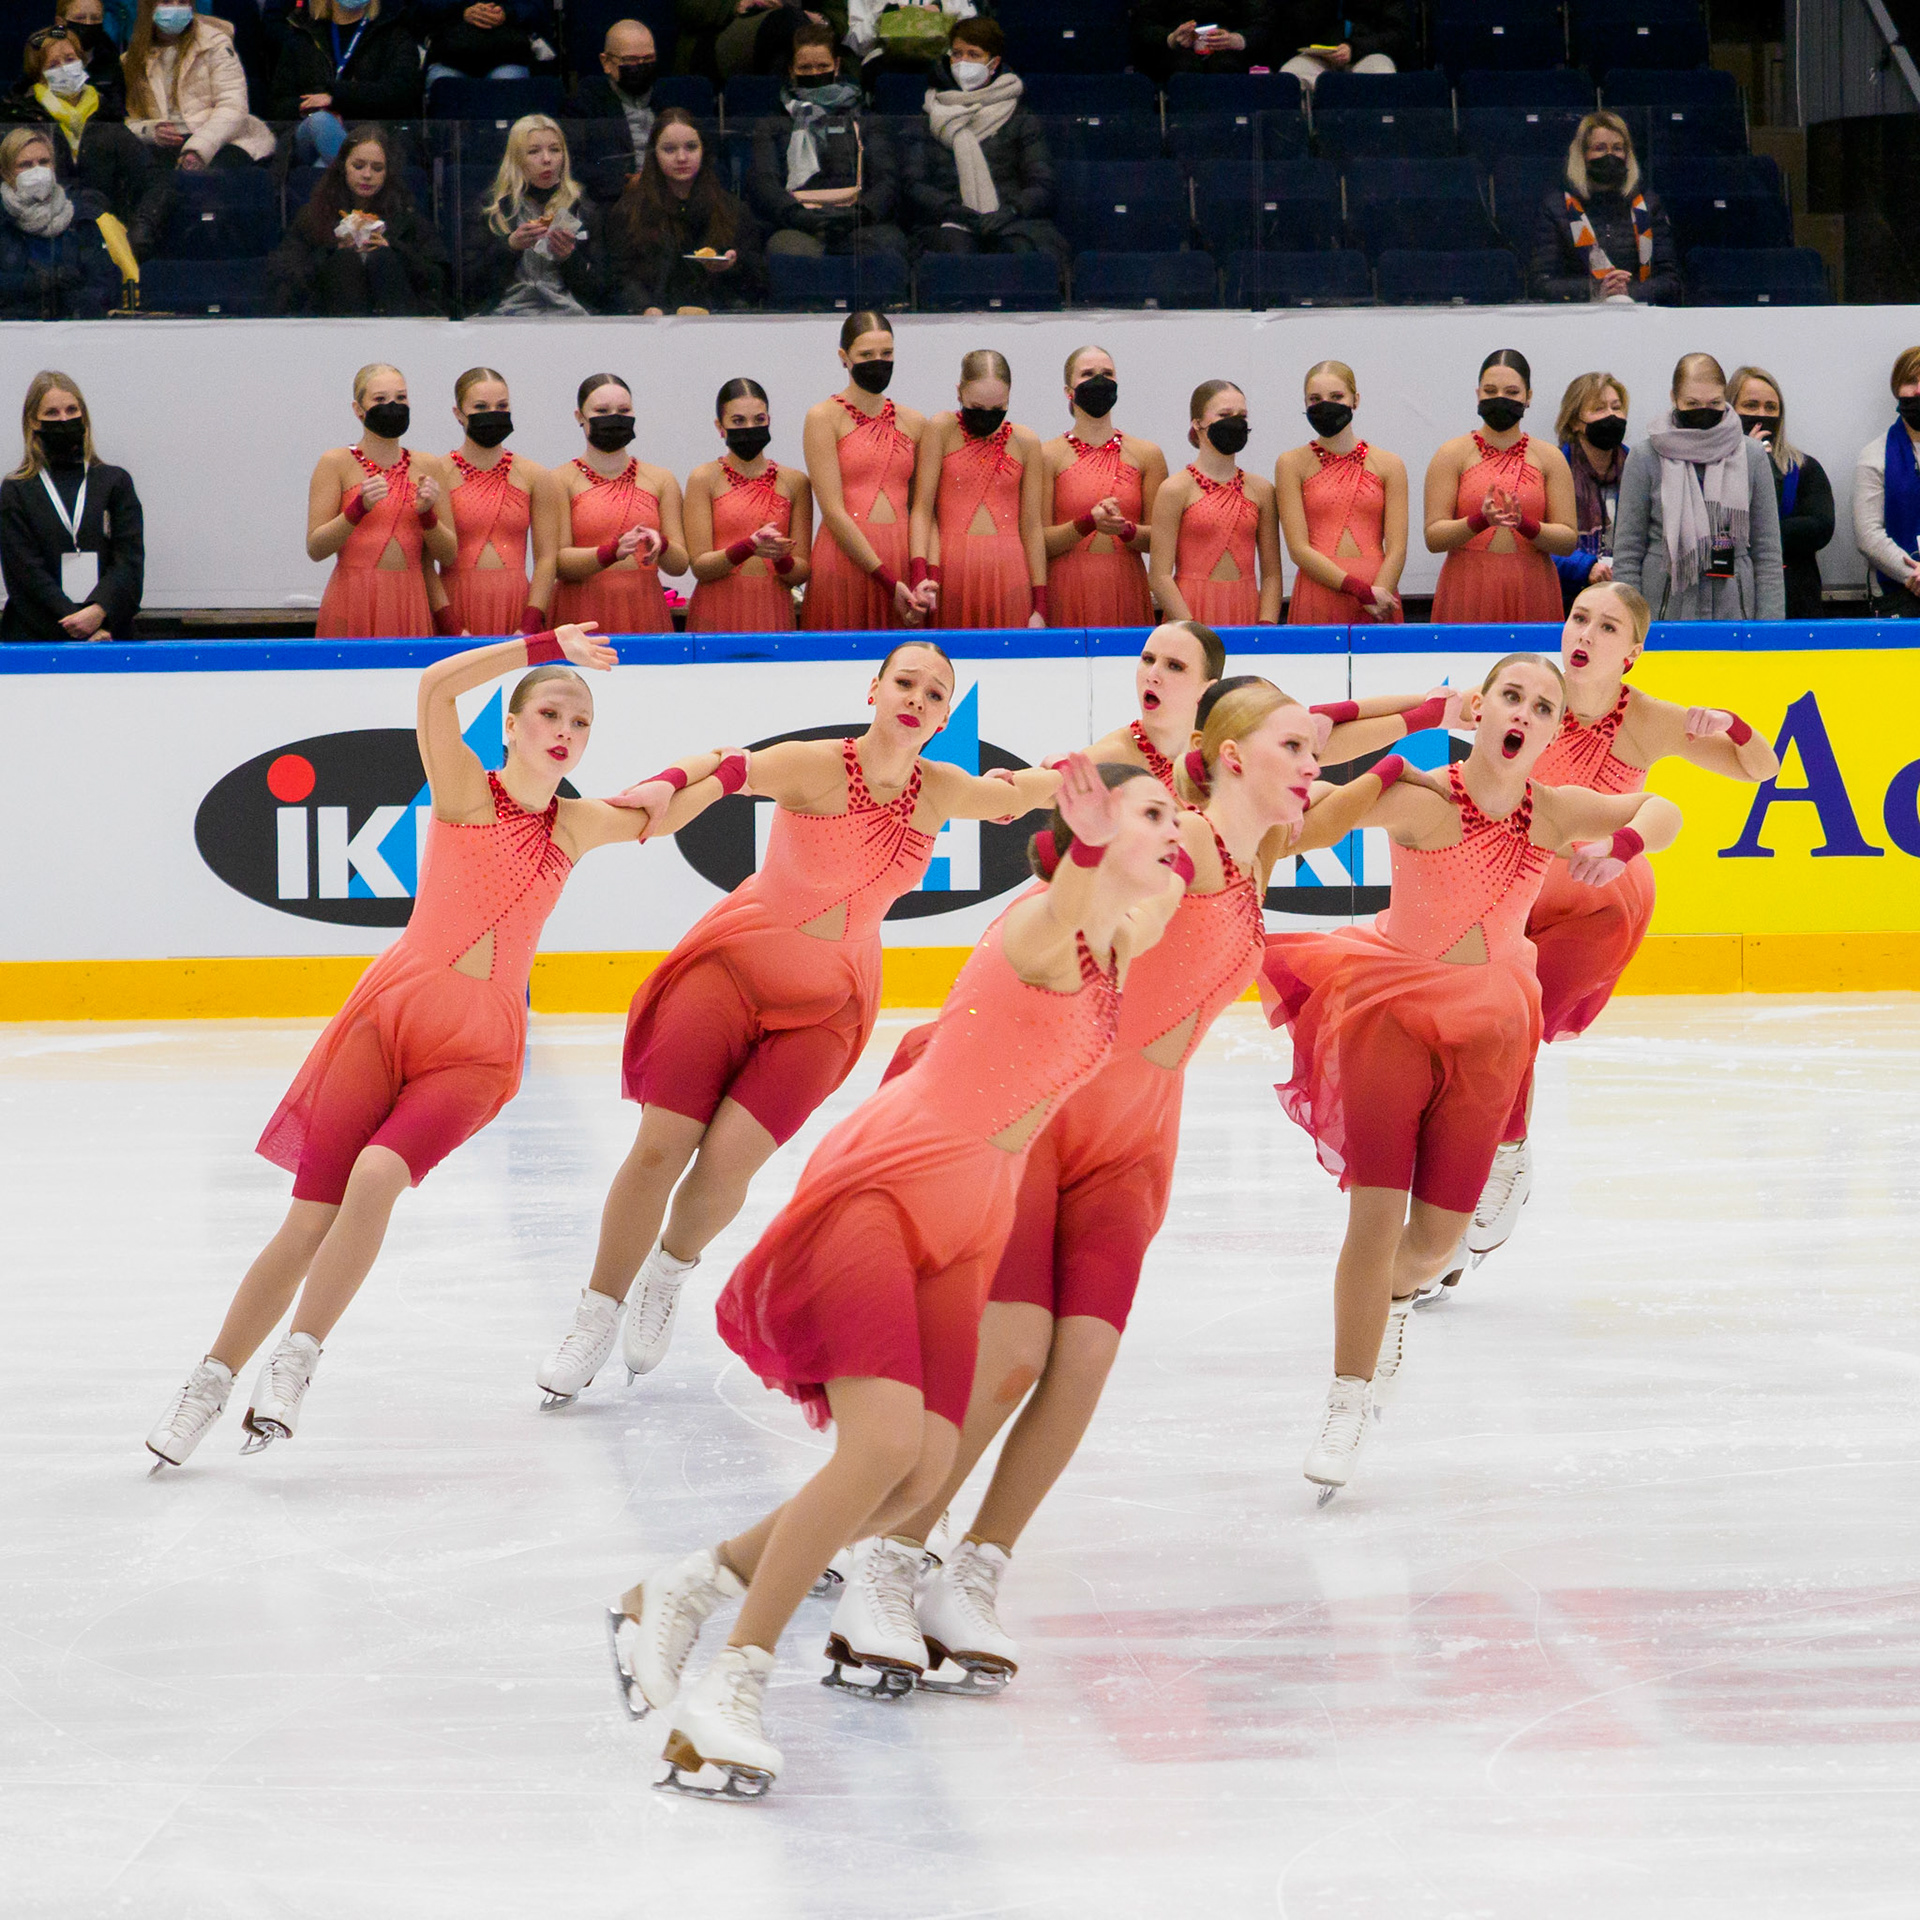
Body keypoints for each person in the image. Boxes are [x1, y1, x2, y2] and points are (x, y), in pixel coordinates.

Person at [606, 755, 1184, 1798]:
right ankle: (731, 1685)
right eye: (1155, 812)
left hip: (971, 1221)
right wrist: (1089, 843)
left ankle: (688, 1586)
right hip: (887, 1187)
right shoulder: (1039, 929)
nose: (1174, 826)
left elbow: (1184, 888)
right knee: (880, 1447)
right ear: (1091, 835)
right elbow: (1066, 900)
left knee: (920, 1475)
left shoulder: (1122, 941)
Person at [869, 686, 1422, 1687]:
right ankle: (891, 1556)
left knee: (1083, 1360)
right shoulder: (1192, 846)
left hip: (1134, 1137)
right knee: (1011, 1355)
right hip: (1051, 1109)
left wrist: (1423, 717)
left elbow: (1347, 754)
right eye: (1293, 748)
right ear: (1230, 756)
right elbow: (1091, 906)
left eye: (1314, 751)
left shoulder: (1258, 855)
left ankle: (979, 1569)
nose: (1314, 764)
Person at [142, 626, 670, 1467]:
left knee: (378, 1175)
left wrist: (705, 772)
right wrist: (542, 644)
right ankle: (208, 1383)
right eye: (549, 713)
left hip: (477, 1050)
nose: (565, 731)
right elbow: (434, 688)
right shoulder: (465, 791)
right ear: (511, 725)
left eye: (581, 722)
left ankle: (295, 1362)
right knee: (307, 1220)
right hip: (387, 1022)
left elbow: (662, 812)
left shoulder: (577, 825)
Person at [536, 642, 1063, 1402]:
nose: (917, 698)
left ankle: (668, 1270)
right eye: (905, 682)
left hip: (828, 1003)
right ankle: (596, 1313)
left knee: (728, 1165)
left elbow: (1016, 796)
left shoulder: (940, 790)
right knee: (660, 1149)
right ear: (875, 690)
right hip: (732, 969)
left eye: (934, 693)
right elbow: (730, 767)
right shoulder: (818, 766)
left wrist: (1078, 775)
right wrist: (665, 786)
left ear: (945, 718)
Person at [1259, 652, 1682, 1499]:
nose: (1524, 712)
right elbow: (1305, 831)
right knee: (1374, 1220)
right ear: (1480, 712)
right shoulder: (1420, 797)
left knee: (1433, 1244)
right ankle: (1347, 1400)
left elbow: (1663, 808)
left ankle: (1394, 1304)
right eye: (1510, 696)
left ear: (1553, 732)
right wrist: (1383, 762)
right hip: (1388, 1012)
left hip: (1490, 1027)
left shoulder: (1553, 813)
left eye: (1543, 706)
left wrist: (1623, 844)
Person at [1460, 583, 1781, 1278]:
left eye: (1607, 627)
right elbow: (1449, 717)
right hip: (1515, 889)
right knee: (1488, 1031)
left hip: (1599, 898)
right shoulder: (1530, 695)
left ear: (1632, 653)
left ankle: (1500, 1162)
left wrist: (1731, 724)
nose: (1585, 634)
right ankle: (1489, 1168)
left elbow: (1764, 769)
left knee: (1514, 1026)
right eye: (1579, 618)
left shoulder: (1651, 720)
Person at [1613, 352, 1783, 621]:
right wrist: (1629, 623)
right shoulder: (1645, 456)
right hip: (1663, 612)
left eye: (1714, 402)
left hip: (1735, 612)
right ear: (1674, 398)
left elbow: (1768, 553)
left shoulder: (1752, 456)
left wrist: (1769, 628)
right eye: (1692, 403)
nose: (1704, 411)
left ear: (1725, 397)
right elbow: (1627, 554)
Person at [306, 362, 455, 640]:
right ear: (358, 409)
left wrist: (427, 516)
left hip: (410, 598)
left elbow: (448, 555)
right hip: (353, 596)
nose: (392, 406)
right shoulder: (335, 463)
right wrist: (356, 509)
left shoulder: (428, 465)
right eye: (380, 399)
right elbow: (316, 548)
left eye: (401, 398)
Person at [906, 19, 1068, 272]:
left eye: (974, 55)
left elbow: (1042, 183)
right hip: (947, 221)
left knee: (1019, 249)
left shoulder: (1020, 117)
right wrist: (954, 210)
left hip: (1011, 219)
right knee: (956, 252)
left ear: (993, 64)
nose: (963, 62)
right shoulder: (930, 114)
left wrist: (1011, 209)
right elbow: (914, 183)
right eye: (957, 54)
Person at [1426, 349, 1575, 623]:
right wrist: (1479, 521)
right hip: (1468, 584)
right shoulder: (1451, 454)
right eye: (1490, 391)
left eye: (1512, 392)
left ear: (1528, 396)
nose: (1500, 398)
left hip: (1532, 585)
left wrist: (1524, 524)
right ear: (1478, 394)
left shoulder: (1550, 458)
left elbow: (1567, 540)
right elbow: (1434, 537)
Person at [801, 310, 927, 630]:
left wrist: (918, 572)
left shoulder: (914, 422)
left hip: (900, 555)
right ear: (844, 357)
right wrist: (885, 578)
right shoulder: (823, 418)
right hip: (846, 557)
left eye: (887, 353)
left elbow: (921, 508)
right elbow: (832, 510)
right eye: (867, 355)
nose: (878, 362)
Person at [0, 368, 143, 643]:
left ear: (84, 416)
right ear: (33, 421)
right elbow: (25, 573)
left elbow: (129, 563)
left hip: (109, 634)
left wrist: (99, 613)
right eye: (52, 413)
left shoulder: (115, 482)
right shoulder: (16, 490)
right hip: (37, 636)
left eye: (71, 410)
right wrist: (77, 625)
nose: (64, 419)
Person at [910, 348, 1048, 630]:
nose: (986, 416)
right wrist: (920, 573)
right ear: (959, 393)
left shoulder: (1026, 442)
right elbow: (923, 509)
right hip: (950, 569)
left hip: (1009, 572)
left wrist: (1041, 606)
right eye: (977, 407)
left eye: (997, 409)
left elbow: (1032, 527)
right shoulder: (941, 429)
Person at [749, 21, 906, 260]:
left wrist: (860, 213)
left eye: (822, 66)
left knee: (886, 246)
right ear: (791, 70)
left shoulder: (865, 120)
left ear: (837, 65)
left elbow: (886, 178)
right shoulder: (772, 124)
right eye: (805, 67)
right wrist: (797, 215)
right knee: (788, 250)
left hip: (858, 222)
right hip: (797, 224)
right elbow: (764, 182)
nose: (814, 74)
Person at [551, 372, 688, 635]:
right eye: (602, 411)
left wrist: (661, 543)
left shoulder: (661, 479)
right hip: (582, 608)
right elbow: (557, 563)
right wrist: (610, 552)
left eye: (623, 411)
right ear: (580, 416)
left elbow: (680, 564)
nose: (614, 418)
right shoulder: (559, 481)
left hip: (645, 607)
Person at [1041, 344, 1164, 630]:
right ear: (1068, 391)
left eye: (1107, 373)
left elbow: (1161, 540)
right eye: (1087, 374)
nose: (1099, 380)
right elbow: (1037, 541)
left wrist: (1125, 530)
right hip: (1066, 589)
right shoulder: (1047, 456)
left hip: (1126, 586)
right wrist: (1087, 523)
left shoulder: (1147, 455)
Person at [1276, 357, 1406, 626]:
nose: (1325, 405)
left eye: (1336, 396)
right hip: (1320, 588)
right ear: (1305, 404)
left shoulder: (1389, 464)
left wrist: (1377, 595)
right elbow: (1298, 548)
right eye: (1315, 399)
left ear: (1355, 400)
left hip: (1379, 591)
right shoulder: (1291, 464)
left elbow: (1397, 548)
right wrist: (1360, 590)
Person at [269, 123, 448, 315]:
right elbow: (284, 275)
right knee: (346, 261)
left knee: (382, 258)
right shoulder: (313, 215)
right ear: (343, 166)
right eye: (358, 166)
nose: (367, 175)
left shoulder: (407, 216)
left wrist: (395, 249)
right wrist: (332, 251)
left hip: (396, 318)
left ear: (387, 173)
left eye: (377, 168)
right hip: (330, 318)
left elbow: (438, 278)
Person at [433, 367, 559, 639]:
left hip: (516, 604)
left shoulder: (535, 475)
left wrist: (530, 622)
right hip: (456, 602)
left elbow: (547, 558)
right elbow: (423, 561)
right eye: (481, 407)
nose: (493, 413)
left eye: (501, 406)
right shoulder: (438, 473)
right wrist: (450, 625)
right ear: (458, 414)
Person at [683, 379, 814, 633]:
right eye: (738, 421)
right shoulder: (704, 478)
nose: (749, 428)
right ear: (720, 427)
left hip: (772, 607)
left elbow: (801, 571)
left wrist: (781, 559)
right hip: (717, 609)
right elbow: (700, 566)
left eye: (758, 419)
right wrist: (748, 547)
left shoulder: (795, 482)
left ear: (769, 420)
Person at [1149, 379, 1282, 627]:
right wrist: (1191, 629)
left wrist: (1267, 626)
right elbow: (1159, 576)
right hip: (1190, 611)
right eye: (1225, 415)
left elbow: (1272, 574)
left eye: (1242, 416)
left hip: (1246, 608)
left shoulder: (1261, 490)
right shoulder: (1175, 489)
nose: (1235, 422)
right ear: (1197, 422)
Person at [4, 26, 155, 239]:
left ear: (82, 61)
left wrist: (142, 226)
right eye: (53, 65)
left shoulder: (106, 114)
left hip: (105, 231)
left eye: (70, 59)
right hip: (39, 233)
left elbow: (150, 177)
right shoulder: (22, 118)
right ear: (40, 74)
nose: (64, 68)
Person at [612, 109, 764, 314]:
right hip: (653, 322)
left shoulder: (733, 210)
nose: (682, 157)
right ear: (654, 154)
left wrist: (734, 265)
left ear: (704, 150)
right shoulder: (629, 210)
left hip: (717, 321)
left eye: (691, 147)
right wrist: (645, 308)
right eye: (669, 149)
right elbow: (618, 278)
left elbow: (758, 282)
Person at [1528, 110, 1678, 307]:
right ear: (1582, 155)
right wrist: (1597, 288)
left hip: (1638, 313)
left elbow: (1670, 280)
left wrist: (1628, 291)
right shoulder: (1556, 207)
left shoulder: (1648, 204)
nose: (1610, 155)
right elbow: (1541, 283)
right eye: (1599, 148)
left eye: (1617, 148)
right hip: (1577, 316)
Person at [466, 114, 607, 316]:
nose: (547, 159)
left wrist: (569, 258)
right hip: (506, 315)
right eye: (534, 151)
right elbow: (470, 287)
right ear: (516, 159)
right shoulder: (492, 209)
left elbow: (602, 292)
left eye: (555, 150)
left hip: (569, 315)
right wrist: (510, 247)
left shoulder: (584, 208)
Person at [1728, 365, 1831, 622]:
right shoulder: (1712, 470)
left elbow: (1818, 527)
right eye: (1751, 406)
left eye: (1771, 407)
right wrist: (1746, 462)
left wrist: (1756, 534)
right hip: (1731, 597)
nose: (1761, 414)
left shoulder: (1804, 468)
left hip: (1795, 598)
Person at [122, 0, 276, 171]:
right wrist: (151, 132)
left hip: (225, 139)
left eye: (182, 2)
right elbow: (128, 121)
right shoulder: (131, 60)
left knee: (211, 177)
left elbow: (233, 106)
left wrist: (198, 149)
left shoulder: (215, 43)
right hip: (166, 146)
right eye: (166, 2)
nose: (175, 8)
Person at [269, 0, 421, 168]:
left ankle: (349, 173)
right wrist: (315, 107)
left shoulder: (394, 34)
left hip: (374, 136)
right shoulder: (303, 36)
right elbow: (279, 105)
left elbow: (399, 93)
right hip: (310, 138)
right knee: (321, 122)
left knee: (321, 166)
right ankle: (355, 172)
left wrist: (336, 98)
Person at [0, 126, 124, 318]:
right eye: (25, 165)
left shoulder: (80, 218)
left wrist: (72, 301)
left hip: (73, 326)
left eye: (44, 162)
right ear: (6, 172)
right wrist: (36, 284)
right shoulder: (3, 220)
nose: (37, 171)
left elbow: (106, 284)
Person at [1552, 370, 1631, 613]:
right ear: (1575, 421)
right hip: (1567, 598)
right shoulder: (1555, 468)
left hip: (1625, 596)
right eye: (1598, 408)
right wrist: (1586, 567)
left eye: (1616, 407)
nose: (1611, 416)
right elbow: (1541, 545)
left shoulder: (1636, 467)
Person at [1853, 344, 1920, 617]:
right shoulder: (1874, 455)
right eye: (1911, 381)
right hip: (1897, 596)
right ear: (1897, 390)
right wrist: (1912, 574)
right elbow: (1868, 535)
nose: (1919, 390)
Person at [573, 18, 661, 206]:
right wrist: (628, 184)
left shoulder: (670, 99)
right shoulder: (585, 104)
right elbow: (576, 166)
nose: (640, 66)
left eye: (648, 59)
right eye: (630, 60)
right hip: (612, 204)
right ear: (606, 62)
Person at [1273, 0, 1408, 89]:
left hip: (1368, 52)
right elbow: (1293, 27)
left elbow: (1397, 34)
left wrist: (1354, 48)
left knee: (1381, 74)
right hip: (1320, 54)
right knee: (1291, 76)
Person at [1131, 1, 1272, 82]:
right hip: (1175, 51)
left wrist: (1238, 39)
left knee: (1225, 65)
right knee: (1184, 69)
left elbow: (1262, 23)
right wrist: (1171, 38)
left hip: (1229, 49)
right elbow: (1143, 25)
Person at [417, 0, 538, 93]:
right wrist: (462, 11)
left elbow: (533, 8)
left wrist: (506, 12)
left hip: (508, 54)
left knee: (509, 85)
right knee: (444, 86)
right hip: (450, 57)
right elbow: (423, 9)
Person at [53, 0, 130, 119]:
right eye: (80, 18)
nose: (88, 24)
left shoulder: (114, 62)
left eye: (95, 18)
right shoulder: (45, 59)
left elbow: (120, 111)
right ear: (60, 22)